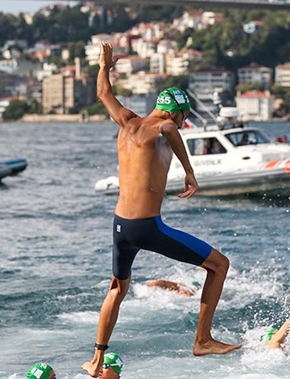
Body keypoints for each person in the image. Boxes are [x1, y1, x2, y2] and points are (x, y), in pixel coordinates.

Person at [82, 42, 240, 377]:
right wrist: (189, 170)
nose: (182, 125)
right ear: (176, 112)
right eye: (183, 118)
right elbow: (167, 128)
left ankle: (97, 359)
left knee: (117, 288)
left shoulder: (126, 122)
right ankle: (203, 340)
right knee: (219, 265)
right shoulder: (162, 128)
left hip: (121, 225)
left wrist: (103, 67)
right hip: (147, 227)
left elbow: (102, 94)